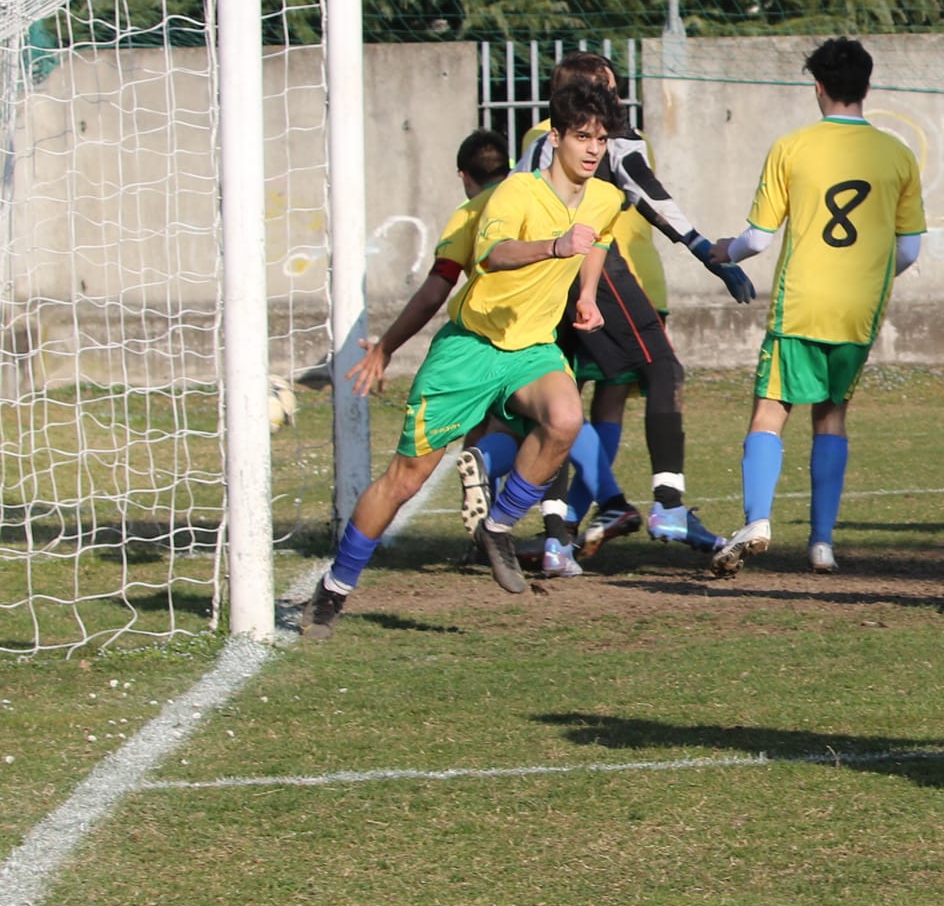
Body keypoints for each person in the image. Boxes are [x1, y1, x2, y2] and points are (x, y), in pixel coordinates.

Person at [303, 83, 624, 639]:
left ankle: (497, 525)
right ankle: (333, 590)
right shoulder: (516, 193)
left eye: (601, 139)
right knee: (404, 480)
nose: (593, 149)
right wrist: (553, 247)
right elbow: (492, 255)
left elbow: (594, 241)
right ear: (556, 139)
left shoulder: (605, 197)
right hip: (470, 348)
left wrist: (588, 294)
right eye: (582, 137)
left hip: (531, 349)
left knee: (566, 418)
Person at [507, 52, 757, 573]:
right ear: (597, 93)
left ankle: (556, 539)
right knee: (663, 368)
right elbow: (646, 189)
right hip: (595, 272)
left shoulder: (537, 144)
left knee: (561, 400)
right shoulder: (609, 137)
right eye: (612, 87)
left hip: (539, 278)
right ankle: (667, 508)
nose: (618, 97)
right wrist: (703, 248)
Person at [342, 129, 611, 571]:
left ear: (464, 176)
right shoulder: (535, 196)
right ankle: (513, 503)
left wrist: (386, 346)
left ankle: (499, 507)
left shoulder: (472, 211)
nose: (594, 147)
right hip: (505, 345)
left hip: (497, 350)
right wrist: (585, 291)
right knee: (541, 432)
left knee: (548, 423)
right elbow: (504, 255)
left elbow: (435, 289)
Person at [707, 37, 926, 576]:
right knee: (831, 416)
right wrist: (867, 276)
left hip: (800, 304)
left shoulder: (792, 147)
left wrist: (721, 252)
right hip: (858, 310)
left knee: (770, 411)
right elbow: (910, 248)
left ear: (818, 87)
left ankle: (757, 520)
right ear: (867, 88)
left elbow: (757, 240)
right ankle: (822, 544)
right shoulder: (898, 154)